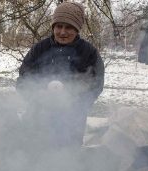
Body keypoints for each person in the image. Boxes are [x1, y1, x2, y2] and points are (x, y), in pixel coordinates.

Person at [16, 1, 104, 147]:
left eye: (69, 27)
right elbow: (23, 81)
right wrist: (38, 95)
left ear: (77, 29)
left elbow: (95, 86)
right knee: (32, 161)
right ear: (53, 27)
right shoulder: (39, 49)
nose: (63, 32)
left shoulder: (89, 53)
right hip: (36, 121)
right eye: (59, 26)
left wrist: (73, 102)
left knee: (65, 163)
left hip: (71, 126)